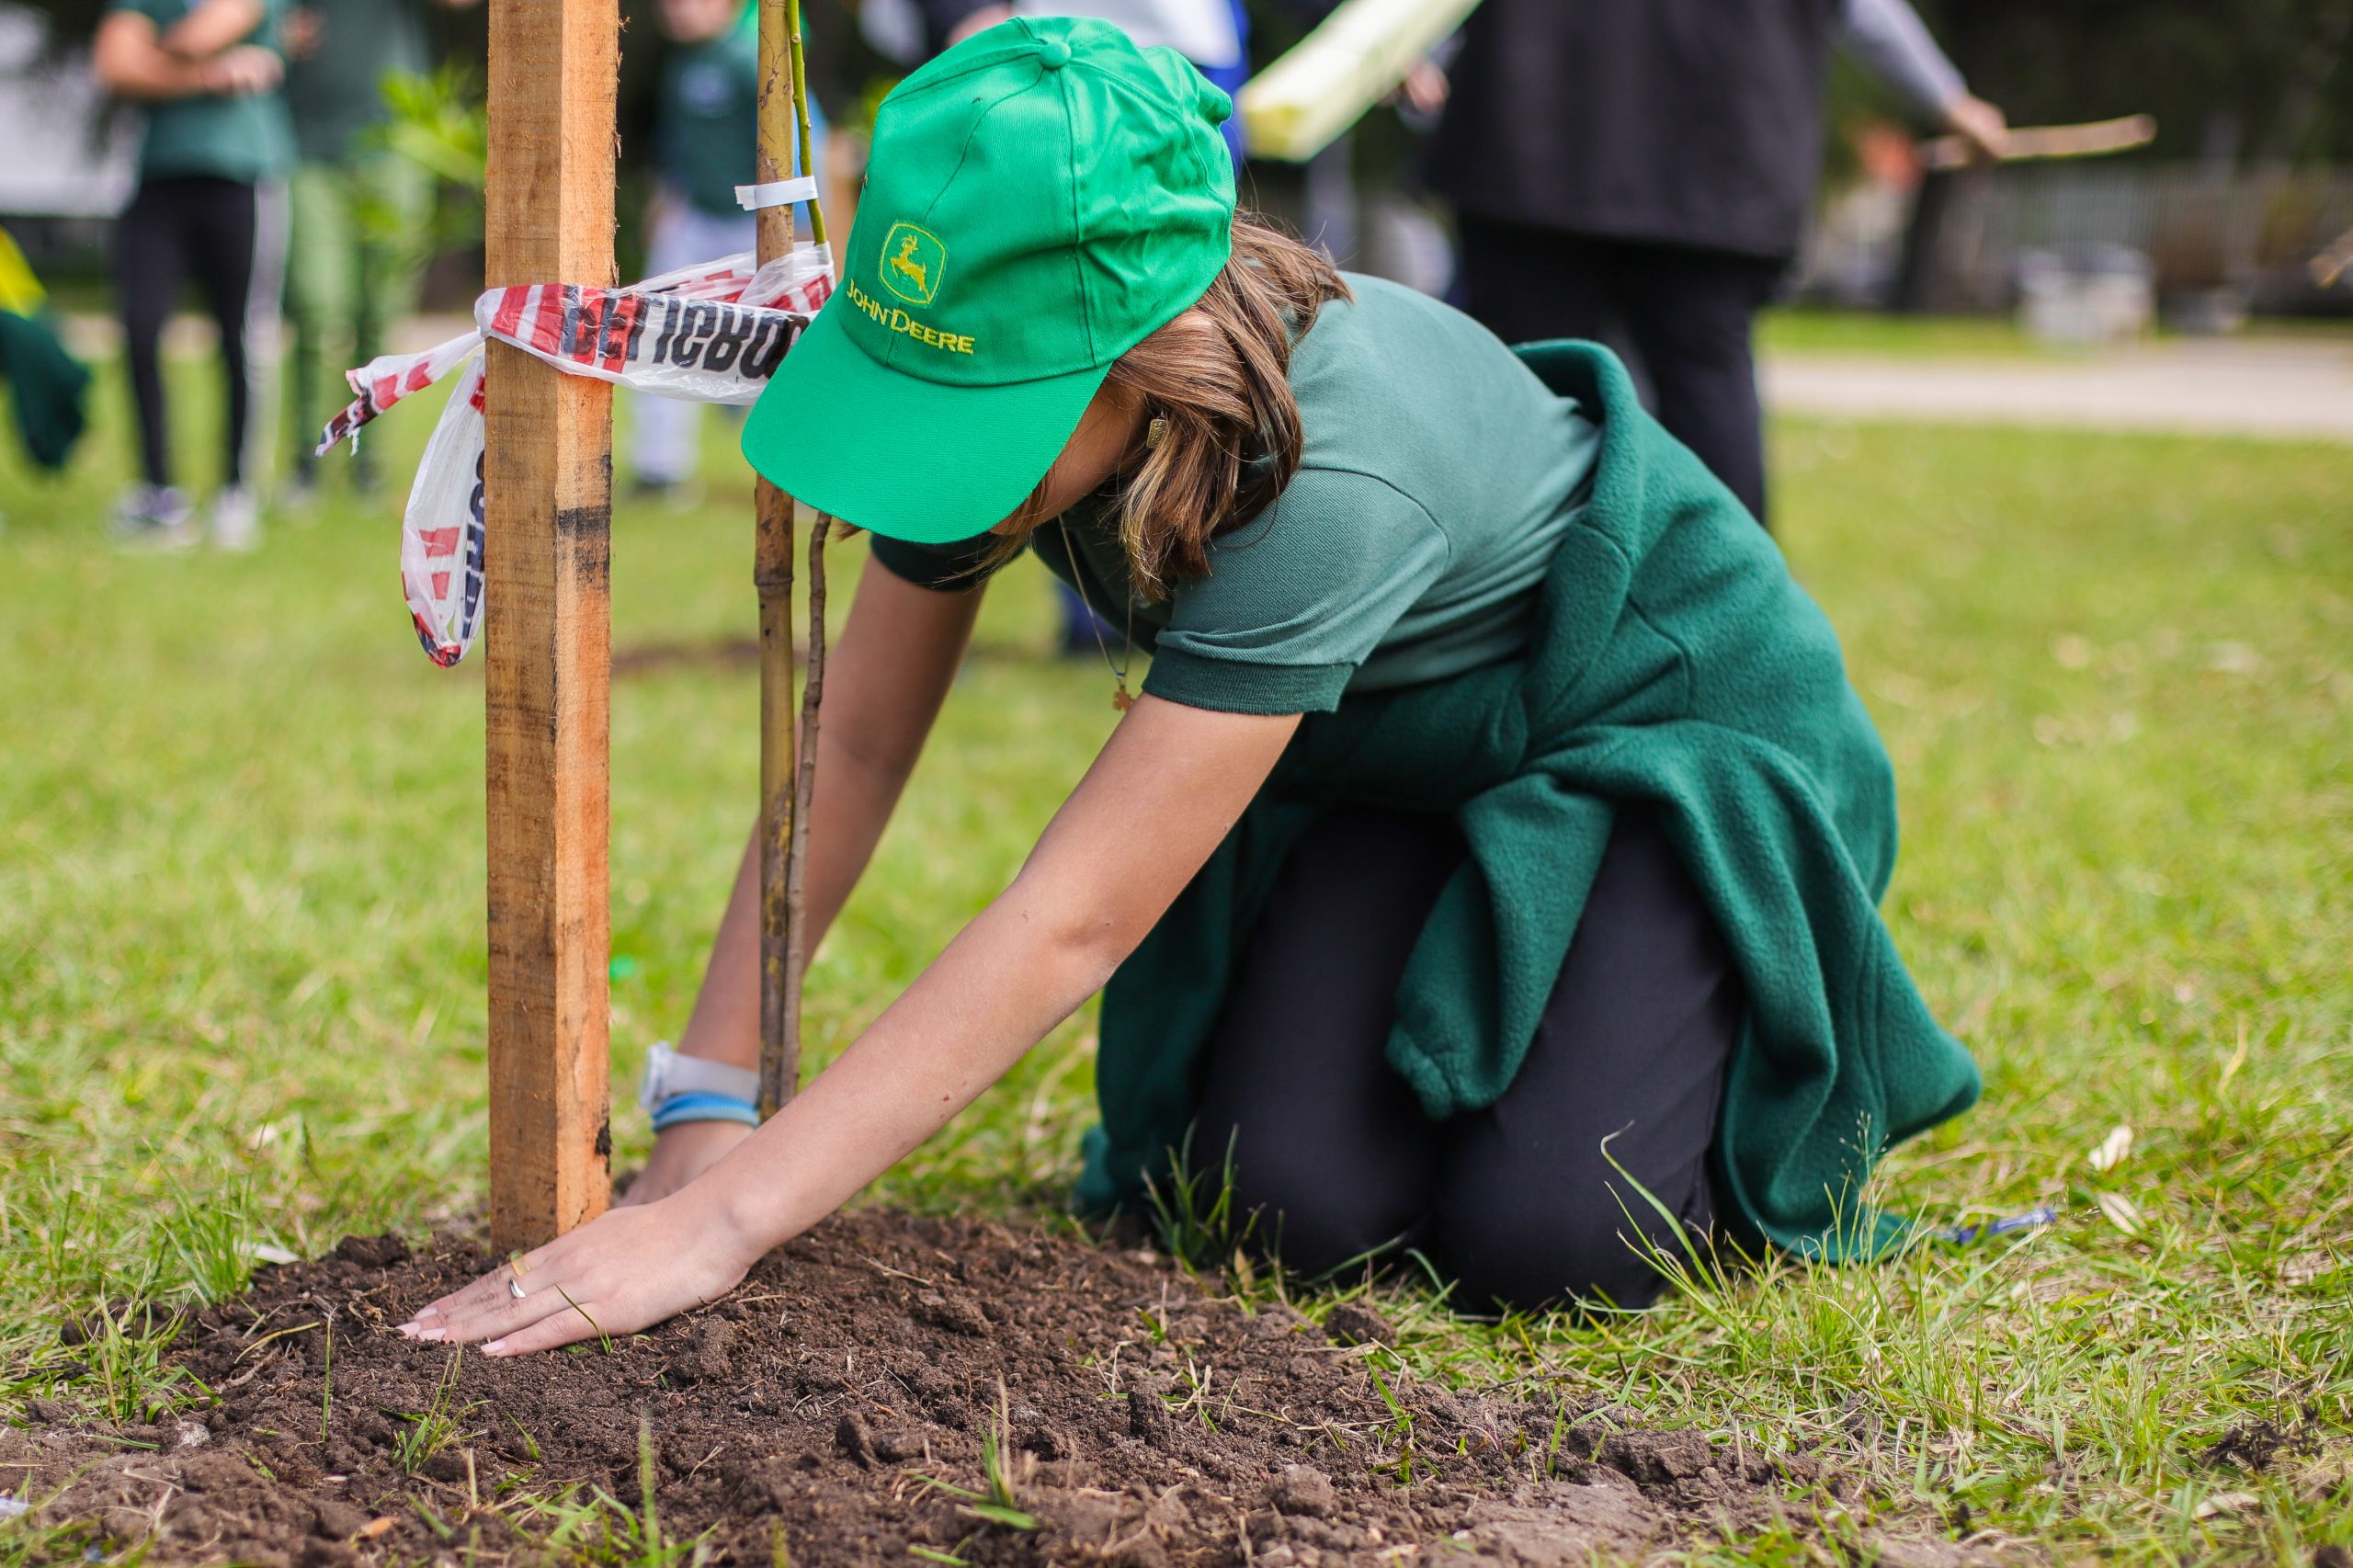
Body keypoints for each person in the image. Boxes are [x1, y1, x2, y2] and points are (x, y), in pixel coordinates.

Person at [402, 18, 1980, 1355]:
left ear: (1148, 358)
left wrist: (725, 1228)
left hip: (1657, 737)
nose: (938, 479)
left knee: (1559, 1238)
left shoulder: (1325, 482)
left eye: (987, 414)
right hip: (1397, 764)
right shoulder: (1000, 416)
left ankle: (1627, 1028)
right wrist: (710, 1099)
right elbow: (860, 740)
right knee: (1282, 1204)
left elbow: (1074, 918)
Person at [1427, 0, 2009, 528]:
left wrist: (1411, 57)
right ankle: (1737, 607)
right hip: (1719, 153)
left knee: (1535, 389)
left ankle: (1512, 610)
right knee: (1704, 389)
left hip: (1536, 137)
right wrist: (1948, 101)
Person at [94, 0, 293, 551]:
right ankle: (158, 495)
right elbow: (115, 64)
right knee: (139, 330)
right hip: (158, 182)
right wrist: (209, 74)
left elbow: (206, 30)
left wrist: (160, 51)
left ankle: (236, 490)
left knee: (240, 337)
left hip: (243, 176)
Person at [280, 0, 476, 504]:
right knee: (317, 306)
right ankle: (306, 460)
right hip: (307, 148)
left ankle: (367, 465)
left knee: (379, 313)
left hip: (392, 150)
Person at [629, 0, 824, 501]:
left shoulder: (751, 59)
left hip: (756, 224)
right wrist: (667, 199)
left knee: (786, 343)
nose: (674, 9)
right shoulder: (682, 63)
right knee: (658, 328)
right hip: (694, 218)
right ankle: (660, 470)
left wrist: (795, 226)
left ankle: (801, 475)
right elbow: (677, 146)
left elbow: (805, 143)